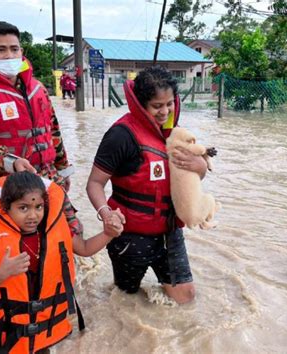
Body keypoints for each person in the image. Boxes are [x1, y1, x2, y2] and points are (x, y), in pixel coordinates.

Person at [0, 171, 125, 353]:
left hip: (40, 341)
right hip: (2, 341)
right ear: (6, 208)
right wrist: (2, 273)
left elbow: (85, 248)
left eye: (38, 207)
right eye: (23, 208)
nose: (33, 215)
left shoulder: (53, 234)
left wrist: (109, 234)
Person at [86, 66, 208, 304]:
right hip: (131, 237)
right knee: (124, 299)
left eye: (169, 104)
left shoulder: (175, 135)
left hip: (170, 233)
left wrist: (200, 167)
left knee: (186, 297)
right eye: (157, 106)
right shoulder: (121, 136)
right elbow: (94, 183)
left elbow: (188, 181)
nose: (165, 111)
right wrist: (106, 213)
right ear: (141, 104)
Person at [0, 21, 73, 192]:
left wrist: (63, 169)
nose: (9, 55)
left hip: (50, 179)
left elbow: (53, 132)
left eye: (14, 49)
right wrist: (12, 162)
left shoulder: (38, 89)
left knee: (70, 220)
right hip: (7, 185)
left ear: (21, 51)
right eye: (1, 50)